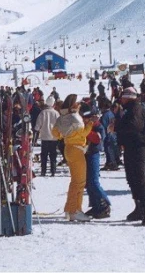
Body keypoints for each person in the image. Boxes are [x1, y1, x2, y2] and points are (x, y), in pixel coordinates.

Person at [116, 86, 145, 225]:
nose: (121, 99)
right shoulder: (128, 109)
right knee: (131, 178)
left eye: (123, 97)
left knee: (139, 178)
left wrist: (116, 127)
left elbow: (134, 126)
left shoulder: (136, 108)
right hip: (130, 146)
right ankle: (139, 207)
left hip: (138, 146)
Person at [52, 94, 92, 222]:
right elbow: (83, 133)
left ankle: (70, 208)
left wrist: (64, 136)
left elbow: (55, 133)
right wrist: (90, 124)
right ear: (74, 105)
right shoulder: (76, 117)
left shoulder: (62, 117)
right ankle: (76, 210)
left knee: (74, 181)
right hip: (77, 149)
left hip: (68, 148)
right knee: (80, 182)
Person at [80, 103, 111, 218]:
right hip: (86, 154)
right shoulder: (86, 126)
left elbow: (98, 139)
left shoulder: (98, 126)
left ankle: (104, 204)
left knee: (93, 181)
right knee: (88, 183)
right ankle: (95, 205)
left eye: (86, 118)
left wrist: (86, 131)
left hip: (93, 154)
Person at [35, 96, 60, 177]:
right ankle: (53, 170)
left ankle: (43, 170)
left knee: (44, 155)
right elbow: (59, 124)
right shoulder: (56, 113)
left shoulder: (43, 112)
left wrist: (36, 129)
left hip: (44, 137)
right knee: (53, 155)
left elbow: (38, 124)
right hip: (54, 137)